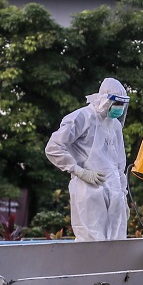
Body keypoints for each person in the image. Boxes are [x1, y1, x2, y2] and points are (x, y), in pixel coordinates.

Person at [46, 78, 130, 241]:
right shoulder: (82, 117)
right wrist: (79, 171)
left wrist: (123, 195)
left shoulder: (115, 125)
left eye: (122, 104)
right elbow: (53, 147)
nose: (119, 108)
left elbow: (119, 163)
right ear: (105, 100)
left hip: (115, 192)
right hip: (89, 190)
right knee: (91, 242)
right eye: (117, 103)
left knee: (118, 244)